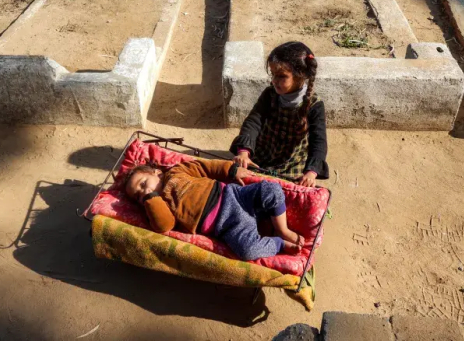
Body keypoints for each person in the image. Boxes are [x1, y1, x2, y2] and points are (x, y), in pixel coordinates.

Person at [123, 159, 304, 261]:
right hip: (228, 226)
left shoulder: (176, 172)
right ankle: (278, 243)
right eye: (138, 196)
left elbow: (204, 167)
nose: (143, 192)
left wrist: (232, 171)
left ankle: (283, 229)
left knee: (271, 189)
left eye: (143, 184)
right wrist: (151, 199)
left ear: (156, 172)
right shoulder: (161, 205)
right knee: (248, 251)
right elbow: (164, 225)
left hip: (235, 195)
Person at [230, 41, 329, 187]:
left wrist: (311, 173)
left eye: (282, 76)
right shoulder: (269, 94)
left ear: (300, 76)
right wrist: (244, 152)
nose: (274, 81)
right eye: (273, 74)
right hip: (264, 150)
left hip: (290, 161)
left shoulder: (314, 105)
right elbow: (253, 121)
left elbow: (318, 141)